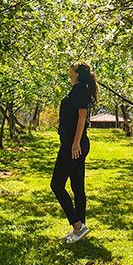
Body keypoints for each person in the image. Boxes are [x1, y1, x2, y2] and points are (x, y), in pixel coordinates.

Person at [50, 61, 98, 244]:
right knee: (77, 187)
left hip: (73, 145)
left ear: (77, 73)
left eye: (72, 68)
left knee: (56, 184)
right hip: (75, 143)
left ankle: (78, 225)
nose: (68, 69)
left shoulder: (79, 90)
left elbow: (82, 117)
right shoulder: (79, 89)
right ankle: (80, 231)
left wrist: (75, 142)